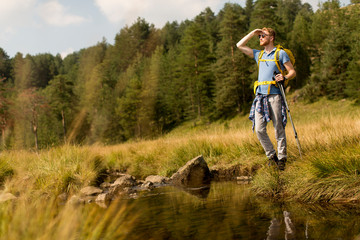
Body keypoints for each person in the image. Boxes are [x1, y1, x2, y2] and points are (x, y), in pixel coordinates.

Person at [236, 28, 296, 170]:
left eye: (263, 36)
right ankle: (272, 155)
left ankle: (282, 159)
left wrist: (285, 77)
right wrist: (252, 33)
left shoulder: (280, 53)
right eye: (260, 36)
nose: (260, 38)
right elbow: (239, 45)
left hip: (275, 95)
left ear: (272, 37)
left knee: (278, 128)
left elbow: (292, 71)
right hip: (260, 97)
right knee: (259, 129)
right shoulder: (259, 54)